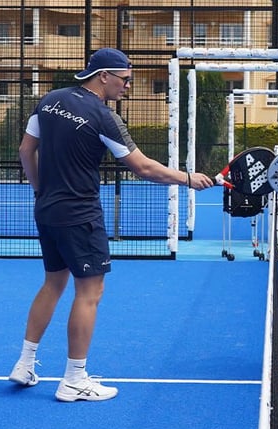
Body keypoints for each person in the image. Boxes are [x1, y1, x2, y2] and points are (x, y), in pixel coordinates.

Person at [11, 48, 214, 401]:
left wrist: (39, 190)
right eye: (125, 80)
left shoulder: (49, 100)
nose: (128, 87)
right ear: (103, 75)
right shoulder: (104, 117)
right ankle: (74, 378)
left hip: (47, 210)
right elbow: (144, 168)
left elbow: (26, 150)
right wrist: (187, 178)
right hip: (80, 215)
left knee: (53, 283)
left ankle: (24, 363)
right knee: (90, 293)